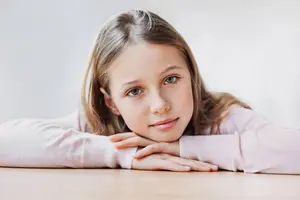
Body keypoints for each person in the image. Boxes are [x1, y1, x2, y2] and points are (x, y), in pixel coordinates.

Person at [0, 9, 299, 174]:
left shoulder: (221, 118)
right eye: (134, 92)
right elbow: (6, 140)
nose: (159, 105)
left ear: (191, 76)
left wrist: (183, 148)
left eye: (171, 80)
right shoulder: (102, 128)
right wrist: (122, 155)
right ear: (111, 102)